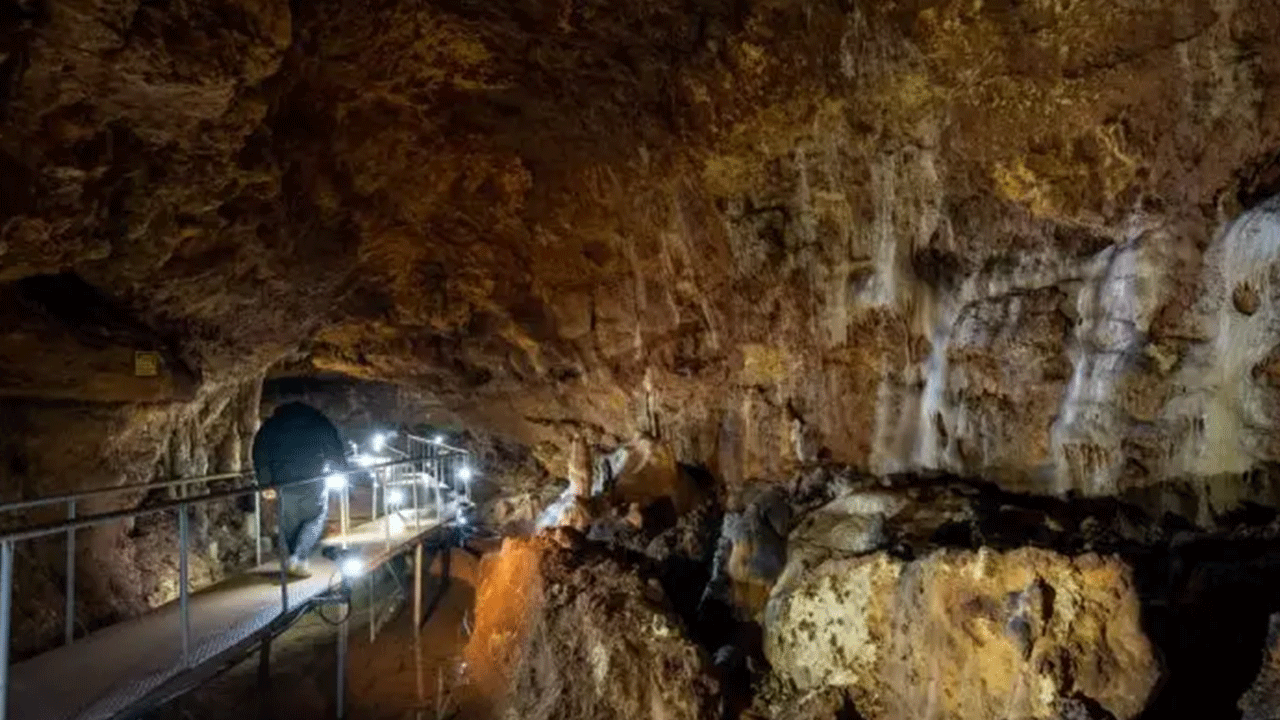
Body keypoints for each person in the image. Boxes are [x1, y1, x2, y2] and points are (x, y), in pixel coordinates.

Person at [251, 402, 349, 579]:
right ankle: (298, 558)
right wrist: (340, 469)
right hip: (313, 480)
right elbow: (334, 446)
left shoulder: (272, 425)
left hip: (283, 482)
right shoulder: (318, 422)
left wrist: (265, 483)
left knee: (288, 523)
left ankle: (292, 558)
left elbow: (260, 452)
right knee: (314, 518)